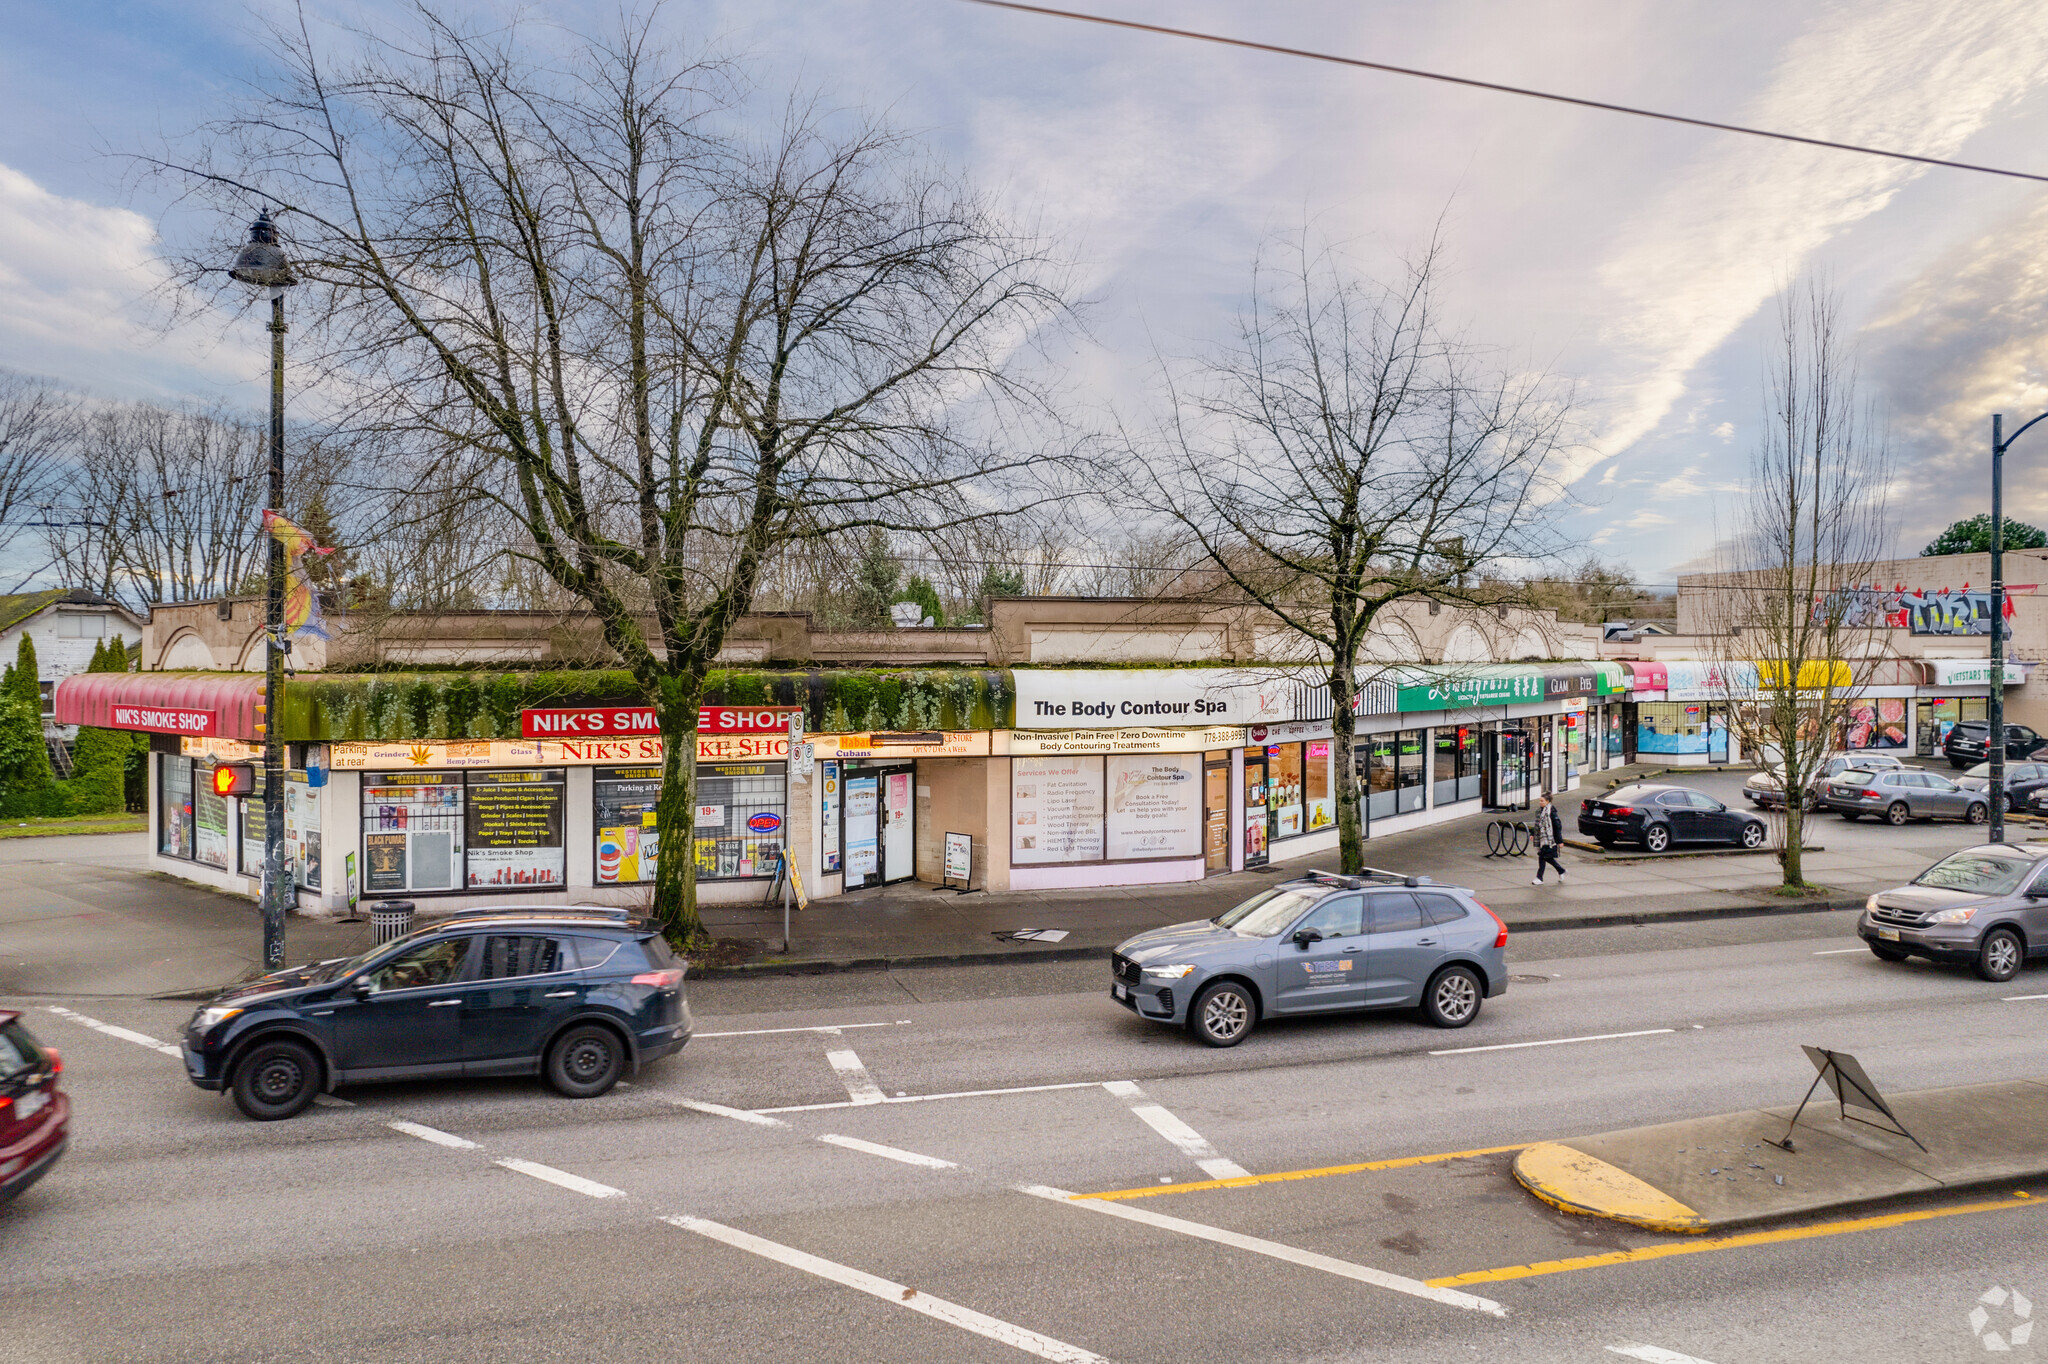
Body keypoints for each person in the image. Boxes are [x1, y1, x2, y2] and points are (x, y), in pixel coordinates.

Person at [1533, 793, 1566, 885]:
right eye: (1539, 800)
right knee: (1547, 857)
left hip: (1549, 839)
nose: (1540, 802)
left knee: (1542, 856)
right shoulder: (1539, 811)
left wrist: (1560, 841)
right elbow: (1537, 824)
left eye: (1542, 801)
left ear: (1547, 802)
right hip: (1541, 838)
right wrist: (1533, 834)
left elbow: (1557, 827)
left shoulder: (1552, 812)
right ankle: (1561, 870)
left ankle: (1539, 878)